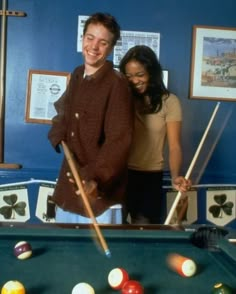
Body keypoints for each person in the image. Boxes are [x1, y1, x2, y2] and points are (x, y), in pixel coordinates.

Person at [48, 12, 134, 224]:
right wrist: (58, 132)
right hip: (69, 189)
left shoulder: (118, 84)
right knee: (64, 253)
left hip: (100, 195)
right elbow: (64, 111)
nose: (94, 47)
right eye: (90, 38)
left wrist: (95, 178)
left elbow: (119, 141)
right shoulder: (77, 74)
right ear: (83, 38)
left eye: (102, 42)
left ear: (111, 48)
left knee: (100, 258)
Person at [119, 45, 191, 224]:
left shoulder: (170, 102)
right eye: (129, 76)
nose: (135, 80)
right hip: (119, 174)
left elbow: (174, 146)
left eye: (140, 74)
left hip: (150, 178)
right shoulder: (120, 98)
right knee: (112, 231)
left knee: (144, 233)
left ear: (152, 73)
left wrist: (175, 176)